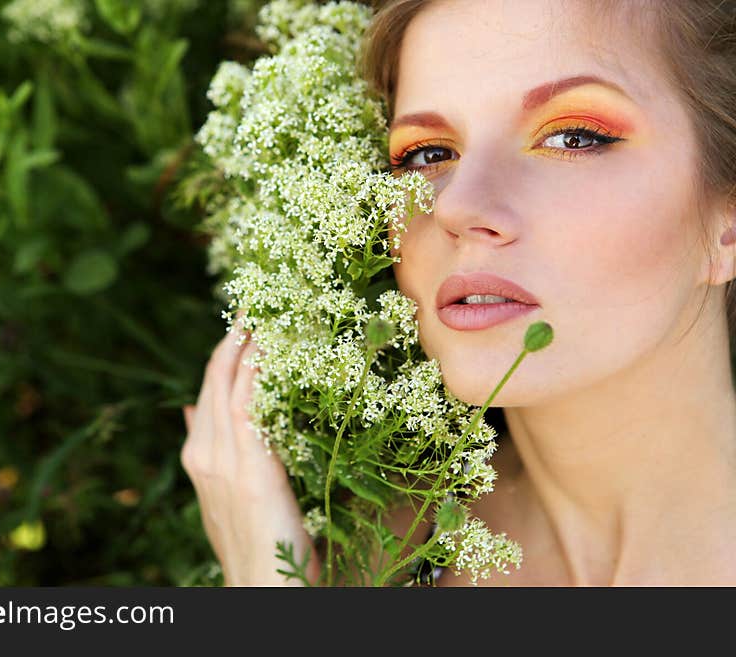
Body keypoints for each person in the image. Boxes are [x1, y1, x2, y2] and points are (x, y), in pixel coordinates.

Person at [180, 0, 736, 586]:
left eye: (573, 137)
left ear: (726, 219)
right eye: (427, 154)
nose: (456, 204)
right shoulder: (377, 550)